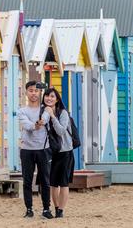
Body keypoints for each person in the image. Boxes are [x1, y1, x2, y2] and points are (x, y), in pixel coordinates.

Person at [17, 80, 53, 219]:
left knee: (45, 180)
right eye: (31, 90)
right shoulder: (22, 111)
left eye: (36, 91)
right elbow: (26, 124)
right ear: (26, 92)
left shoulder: (45, 109)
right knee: (27, 180)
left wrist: (42, 121)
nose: (34, 93)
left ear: (40, 92)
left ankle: (46, 209)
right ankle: (29, 209)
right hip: (26, 149)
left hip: (44, 149)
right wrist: (35, 125)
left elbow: (45, 118)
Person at [43, 87, 74, 219]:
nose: (49, 98)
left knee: (63, 183)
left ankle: (61, 210)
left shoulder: (63, 113)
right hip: (50, 152)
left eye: (52, 96)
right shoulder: (42, 111)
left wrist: (52, 116)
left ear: (57, 100)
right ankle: (55, 208)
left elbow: (61, 131)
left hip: (65, 151)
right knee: (52, 183)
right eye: (47, 96)